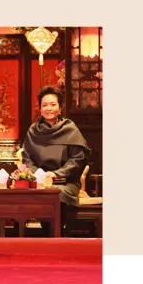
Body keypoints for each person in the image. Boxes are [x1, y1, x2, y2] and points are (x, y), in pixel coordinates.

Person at [21, 85, 89, 235]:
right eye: (44, 105)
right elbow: (27, 159)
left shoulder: (70, 129)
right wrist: (38, 174)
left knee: (57, 194)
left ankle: (56, 236)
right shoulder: (33, 130)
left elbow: (77, 160)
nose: (49, 108)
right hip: (39, 181)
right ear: (40, 108)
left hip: (66, 181)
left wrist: (56, 174)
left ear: (60, 107)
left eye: (53, 104)